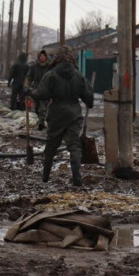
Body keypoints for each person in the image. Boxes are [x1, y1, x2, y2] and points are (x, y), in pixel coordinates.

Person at [29, 46, 93, 186]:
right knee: (74, 145)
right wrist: (89, 99)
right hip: (74, 113)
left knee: (51, 145)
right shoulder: (78, 75)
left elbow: (42, 94)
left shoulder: (51, 74)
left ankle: (45, 177)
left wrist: (31, 92)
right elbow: (88, 97)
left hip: (56, 113)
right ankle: (77, 177)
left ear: (57, 58)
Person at [27, 49, 51, 130]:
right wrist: (29, 86)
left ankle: (41, 122)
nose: (42, 57)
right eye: (40, 56)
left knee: (43, 106)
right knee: (37, 106)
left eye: (43, 56)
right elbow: (29, 77)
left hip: (46, 88)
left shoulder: (50, 66)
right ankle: (40, 119)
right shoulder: (34, 66)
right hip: (36, 88)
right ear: (38, 57)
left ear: (46, 57)